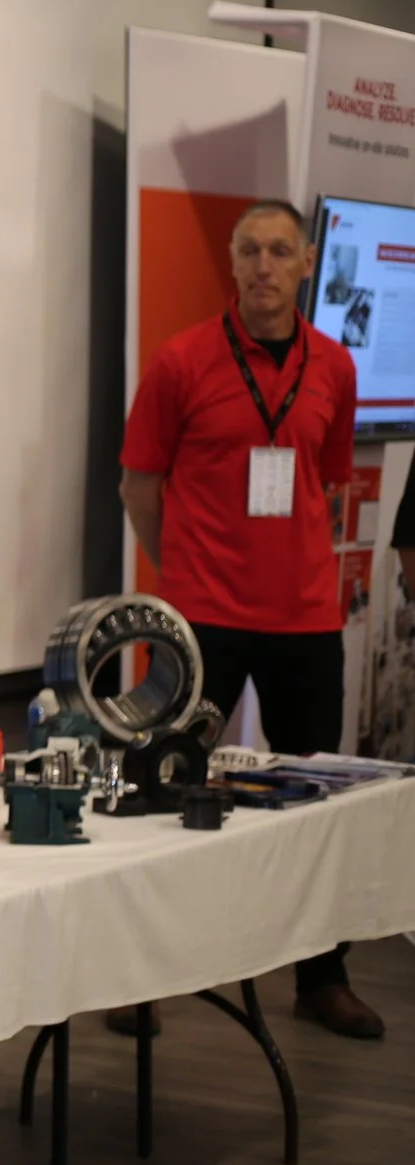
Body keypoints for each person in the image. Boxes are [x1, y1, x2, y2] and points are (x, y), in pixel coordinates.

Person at [120, 199, 380, 1040]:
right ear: (231, 266)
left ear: (308, 265)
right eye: (249, 251)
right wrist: (183, 573)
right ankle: (137, 977)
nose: (263, 265)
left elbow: (329, 483)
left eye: (279, 251)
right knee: (162, 793)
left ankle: (321, 975)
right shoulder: (181, 361)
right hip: (201, 616)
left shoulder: (335, 367)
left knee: (319, 801)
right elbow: (138, 486)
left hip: (304, 616)